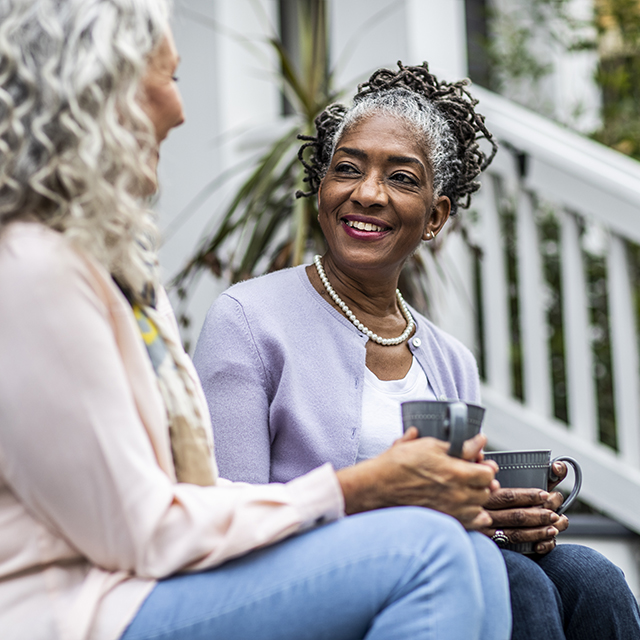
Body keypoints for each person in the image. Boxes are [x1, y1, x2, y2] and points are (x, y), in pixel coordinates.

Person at [0, 2, 512, 640]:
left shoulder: (115, 268)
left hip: (139, 584)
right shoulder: (31, 271)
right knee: (429, 551)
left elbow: (185, 496)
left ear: (436, 215)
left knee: (481, 559)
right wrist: (357, 490)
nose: (179, 110)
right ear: (97, 92)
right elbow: (142, 533)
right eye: (167, 79)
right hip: (80, 610)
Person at [193, 63, 640, 640]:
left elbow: (451, 516)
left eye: (401, 178)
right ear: (322, 189)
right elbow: (229, 518)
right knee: (514, 583)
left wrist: (499, 516)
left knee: (591, 574)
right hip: (299, 581)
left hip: (434, 561)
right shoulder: (248, 320)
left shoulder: (449, 358)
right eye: (347, 169)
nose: (367, 193)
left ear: (435, 216)